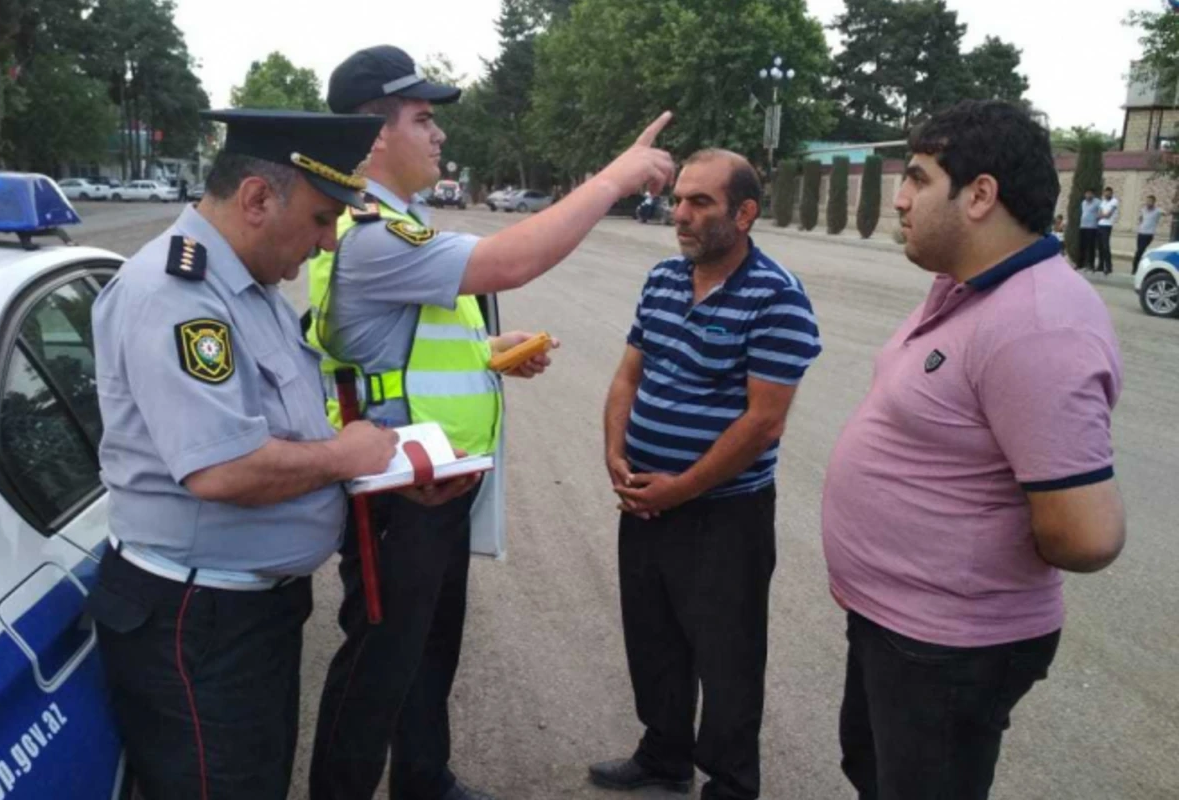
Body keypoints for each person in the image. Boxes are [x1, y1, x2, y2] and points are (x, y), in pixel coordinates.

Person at [307, 45, 675, 800]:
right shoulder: (371, 232)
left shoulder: (400, 224)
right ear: (375, 135)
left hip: (434, 481)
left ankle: (423, 778)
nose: (438, 134)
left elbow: (402, 346)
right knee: (379, 665)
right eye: (423, 118)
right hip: (398, 490)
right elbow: (511, 260)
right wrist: (612, 179)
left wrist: (487, 351)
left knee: (428, 650)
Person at [86, 109, 399, 800]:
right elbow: (223, 468)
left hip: (246, 617)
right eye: (322, 220)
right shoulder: (177, 294)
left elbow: (286, 432)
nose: (326, 244)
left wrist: (371, 463)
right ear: (258, 198)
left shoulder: (251, 289)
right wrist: (347, 458)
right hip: (198, 626)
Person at [822, 100, 1126, 800]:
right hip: (901, 627)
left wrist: (960, 556)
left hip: (951, 648)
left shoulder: (1041, 326)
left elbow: (1085, 535)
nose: (899, 198)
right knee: (874, 775)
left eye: (919, 179)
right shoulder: (966, 290)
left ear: (981, 194)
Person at [589, 149, 822, 800]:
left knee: (727, 657)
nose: (680, 214)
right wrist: (617, 454)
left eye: (700, 203)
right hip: (645, 498)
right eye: (679, 199)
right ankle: (664, 756)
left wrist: (680, 487)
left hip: (725, 515)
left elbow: (762, 424)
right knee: (654, 638)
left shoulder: (777, 297)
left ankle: (730, 783)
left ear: (745, 214)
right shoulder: (663, 278)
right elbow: (629, 373)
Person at [1133, 194, 1165, 273]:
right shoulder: (1143, 210)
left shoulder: (1157, 210)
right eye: (1147, 201)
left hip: (1149, 234)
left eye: (1150, 201)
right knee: (1139, 251)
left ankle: (1137, 268)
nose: (1148, 203)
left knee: (1141, 251)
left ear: (1154, 202)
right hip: (1141, 233)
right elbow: (1141, 218)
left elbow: (1165, 213)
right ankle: (1136, 268)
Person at [1097, 185, 1120, 274]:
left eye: (1108, 193)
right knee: (1100, 247)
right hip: (1100, 225)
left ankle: (1109, 267)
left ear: (1111, 193)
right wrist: (1102, 215)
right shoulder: (1103, 202)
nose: (1106, 194)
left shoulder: (1114, 201)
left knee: (1106, 246)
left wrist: (1102, 215)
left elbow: (1108, 215)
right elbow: (1099, 214)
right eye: (1105, 193)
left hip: (1107, 225)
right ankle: (1100, 266)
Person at [1078, 189, 1100, 270]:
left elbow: (1101, 212)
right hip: (1083, 226)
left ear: (1093, 195)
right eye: (1087, 194)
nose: (1088, 195)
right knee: (1082, 246)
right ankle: (1080, 264)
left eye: (1090, 194)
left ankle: (1091, 264)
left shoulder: (1097, 202)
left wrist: (1098, 218)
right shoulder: (1083, 202)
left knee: (1091, 247)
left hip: (1092, 227)